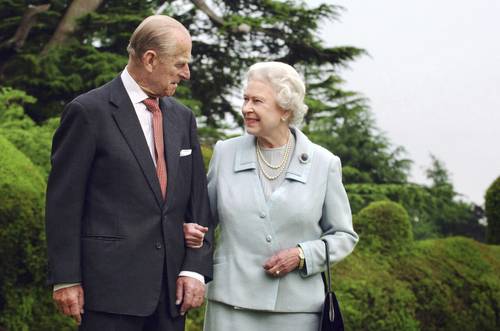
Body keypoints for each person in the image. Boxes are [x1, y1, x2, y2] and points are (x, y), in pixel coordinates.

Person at [45, 15, 213, 331]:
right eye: (180, 63)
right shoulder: (88, 112)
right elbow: (63, 204)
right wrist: (65, 278)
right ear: (150, 59)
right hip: (108, 292)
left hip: (170, 295)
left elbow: (197, 203)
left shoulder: (183, 117)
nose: (187, 74)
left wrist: (194, 270)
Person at [184, 61, 358, 330]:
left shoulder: (323, 163)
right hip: (230, 306)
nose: (246, 108)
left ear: (285, 110)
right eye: (245, 99)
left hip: (297, 312)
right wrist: (189, 231)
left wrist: (303, 255)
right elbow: (203, 220)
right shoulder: (225, 153)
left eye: (257, 101)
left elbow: (344, 236)